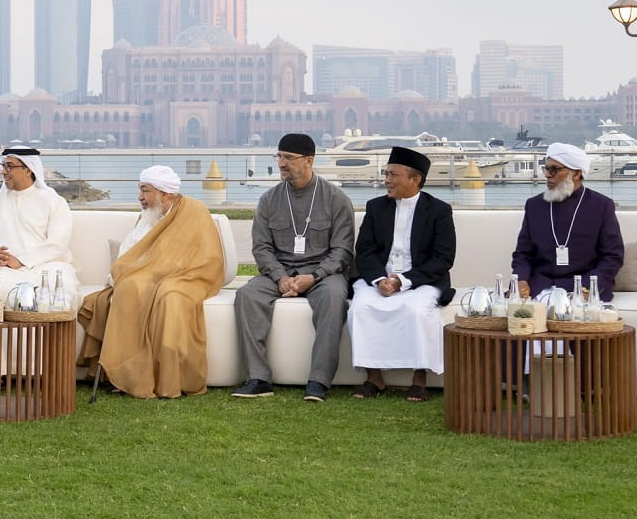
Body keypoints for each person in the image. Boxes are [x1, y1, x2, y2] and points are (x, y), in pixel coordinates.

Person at [76, 166, 226, 398]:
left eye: (145, 191)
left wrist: (159, 271)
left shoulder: (194, 210)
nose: (140, 198)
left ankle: (169, 379)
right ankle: (127, 374)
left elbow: (209, 258)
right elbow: (130, 253)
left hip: (189, 278)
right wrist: (129, 274)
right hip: (147, 277)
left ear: (164, 194)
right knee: (129, 288)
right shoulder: (147, 217)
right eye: (140, 191)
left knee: (169, 295)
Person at [233, 132, 356, 402]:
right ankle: (258, 378)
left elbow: (342, 251)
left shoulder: (336, 199)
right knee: (247, 295)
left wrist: (313, 276)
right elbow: (261, 248)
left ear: (309, 161)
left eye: (288, 158)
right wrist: (280, 278)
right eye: (278, 157)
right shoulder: (269, 200)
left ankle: (318, 381)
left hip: (324, 274)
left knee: (335, 298)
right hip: (280, 271)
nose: (281, 163)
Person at [347, 146, 456, 402]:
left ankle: (419, 380)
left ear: (415, 180)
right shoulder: (376, 207)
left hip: (420, 281)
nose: (387, 180)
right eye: (386, 173)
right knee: (360, 310)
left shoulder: (439, 210)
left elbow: (443, 258)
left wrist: (403, 282)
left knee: (416, 311)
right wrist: (379, 279)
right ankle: (374, 378)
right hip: (379, 280)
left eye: (393, 175)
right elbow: (363, 250)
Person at [510, 142, 623, 301]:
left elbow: (612, 257)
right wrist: (520, 280)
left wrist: (587, 288)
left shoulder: (601, 206)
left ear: (576, 174)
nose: (548, 174)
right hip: (538, 288)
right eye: (546, 168)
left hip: (581, 288)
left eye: (554, 169)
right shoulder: (534, 205)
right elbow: (523, 254)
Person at [0, 144, 78, 302]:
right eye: (3, 165)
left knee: (59, 290)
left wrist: (21, 261)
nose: (4, 171)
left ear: (28, 169)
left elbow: (57, 244)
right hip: (5, 271)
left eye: (10, 166)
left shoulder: (54, 202)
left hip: (47, 267)